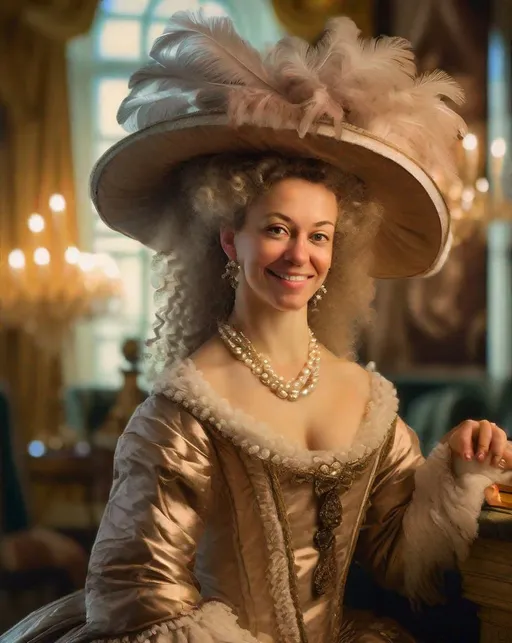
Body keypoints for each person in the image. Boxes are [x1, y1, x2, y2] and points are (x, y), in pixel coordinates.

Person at [3, 11, 512, 643]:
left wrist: (459, 473)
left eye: (319, 236)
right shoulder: (182, 412)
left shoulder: (367, 398)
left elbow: (399, 555)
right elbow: (141, 603)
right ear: (229, 239)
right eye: (276, 229)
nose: (300, 255)